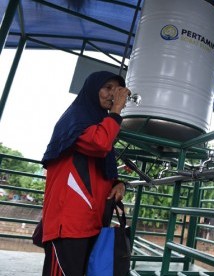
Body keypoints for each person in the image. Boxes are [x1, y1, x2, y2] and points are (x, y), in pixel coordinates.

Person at [40, 71, 131, 276]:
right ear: (92, 89)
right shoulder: (75, 118)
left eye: (117, 90)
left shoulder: (99, 122)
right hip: (68, 224)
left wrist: (118, 183)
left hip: (92, 222)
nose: (113, 95)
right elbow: (98, 144)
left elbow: (97, 167)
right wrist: (116, 111)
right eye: (107, 88)